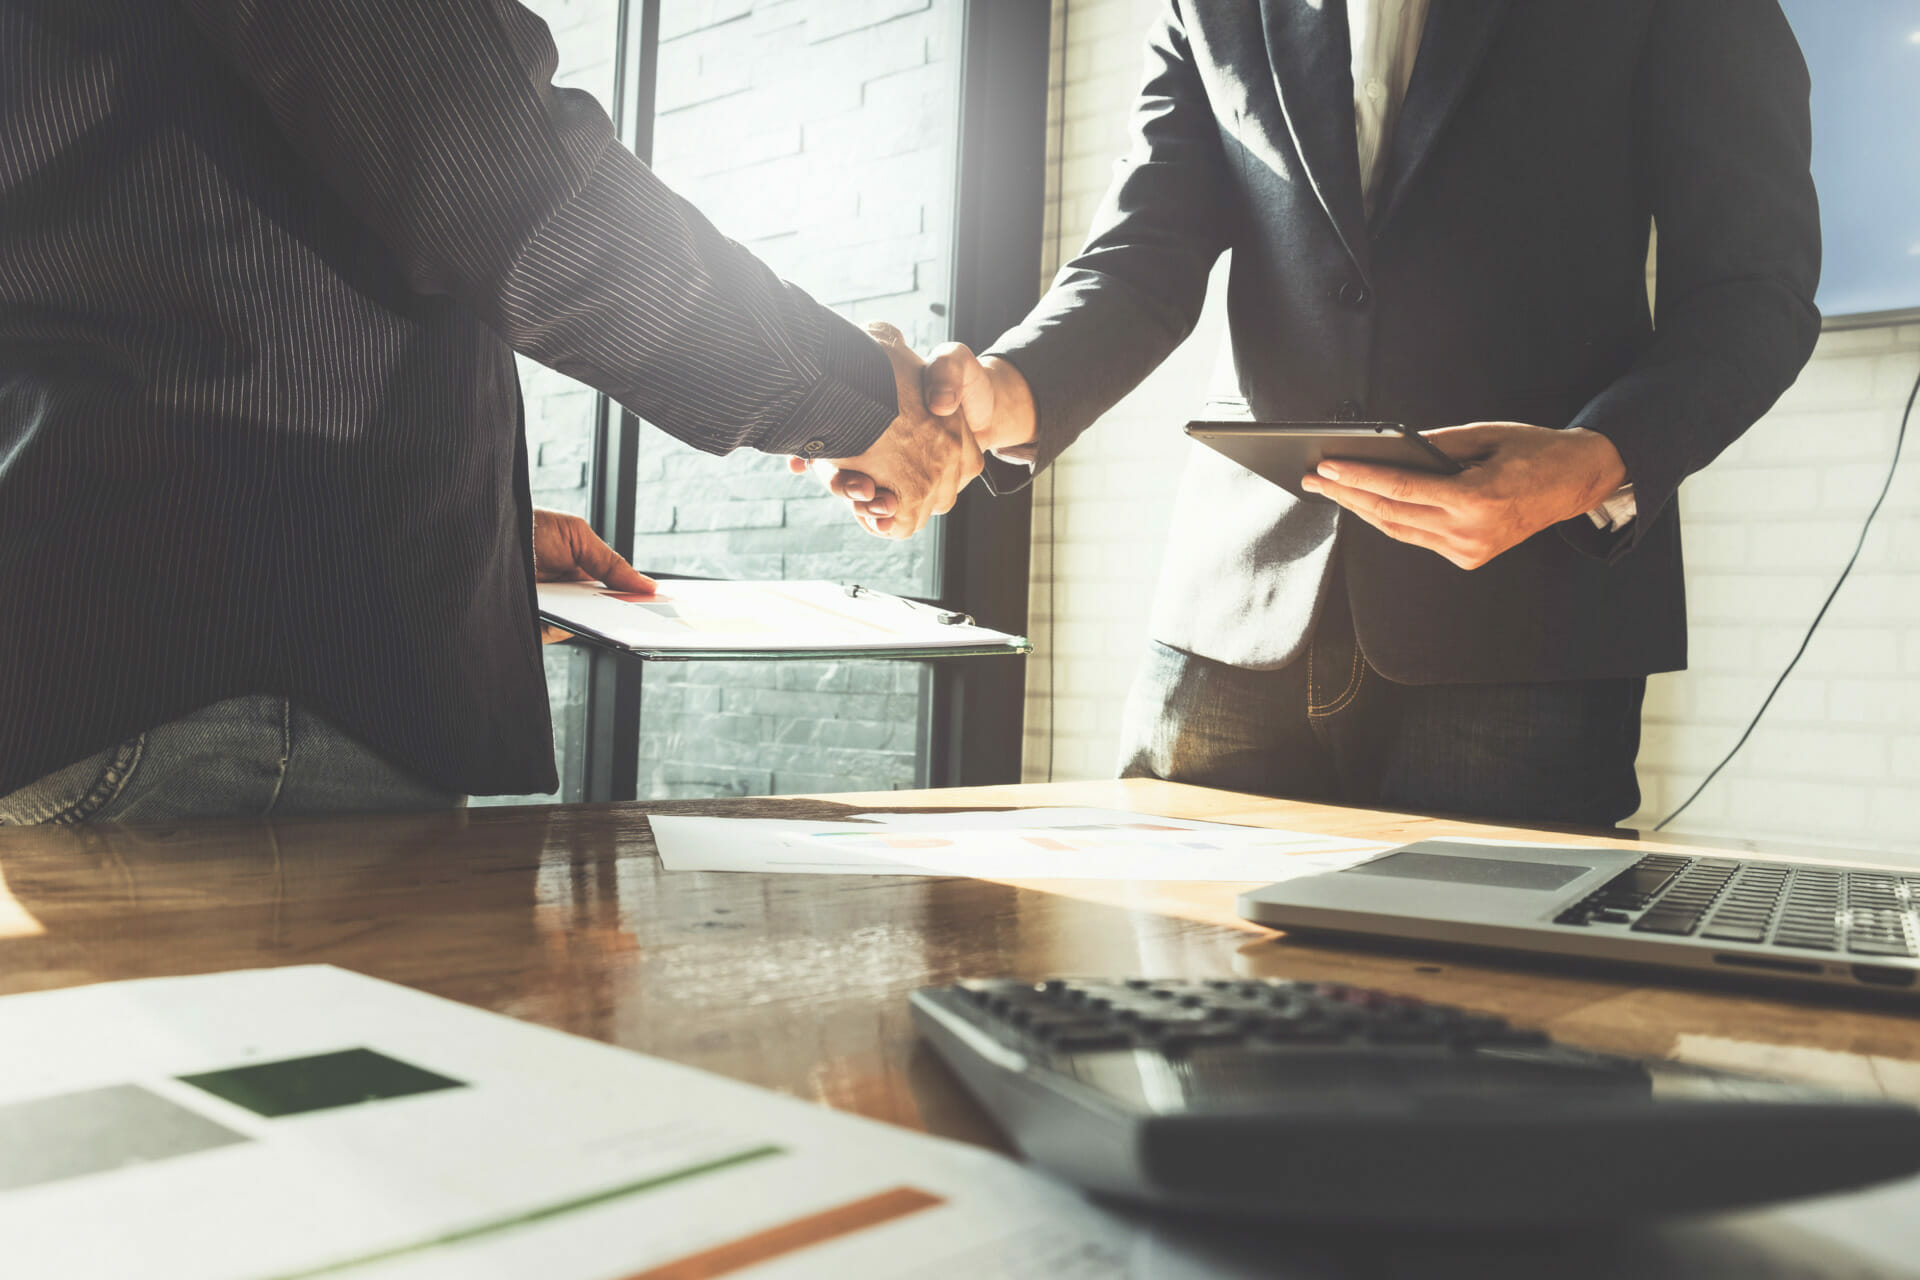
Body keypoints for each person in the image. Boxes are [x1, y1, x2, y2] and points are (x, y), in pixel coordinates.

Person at [810, 0, 1820, 828]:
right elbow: (1142, 258)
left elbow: (1755, 289)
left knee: (1490, 1050)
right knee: (1172, 1029)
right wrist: (998, 392)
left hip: (1521, 632)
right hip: (1228, 626)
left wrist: (1595, 460)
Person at [0, 0, 979, 825]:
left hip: (93, 678)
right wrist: (858, 400)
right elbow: (502, 180)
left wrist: (477, 525)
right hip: (243, 702)